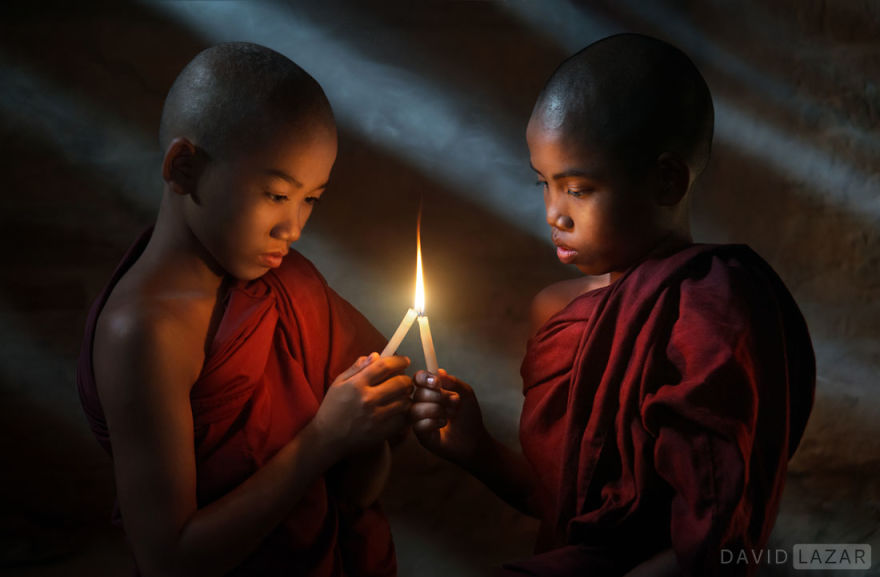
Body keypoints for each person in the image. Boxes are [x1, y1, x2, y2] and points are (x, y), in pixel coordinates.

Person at [410, 33, 815, 577]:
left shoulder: (717, 310)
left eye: (578, 188)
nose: (555, 213)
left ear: (666, 180)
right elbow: (568, 511)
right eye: (543, 184)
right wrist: (476, 448)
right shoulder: (557, 312)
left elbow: (717, 542)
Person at [76, 42, 412, 577]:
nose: (294, 228)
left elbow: (356, 492)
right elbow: (171, 560)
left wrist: (373, 427)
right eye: (276, 194)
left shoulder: (290, 285)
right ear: (184, 168)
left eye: (311, 199)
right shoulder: (143, 331)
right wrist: (324, 439)